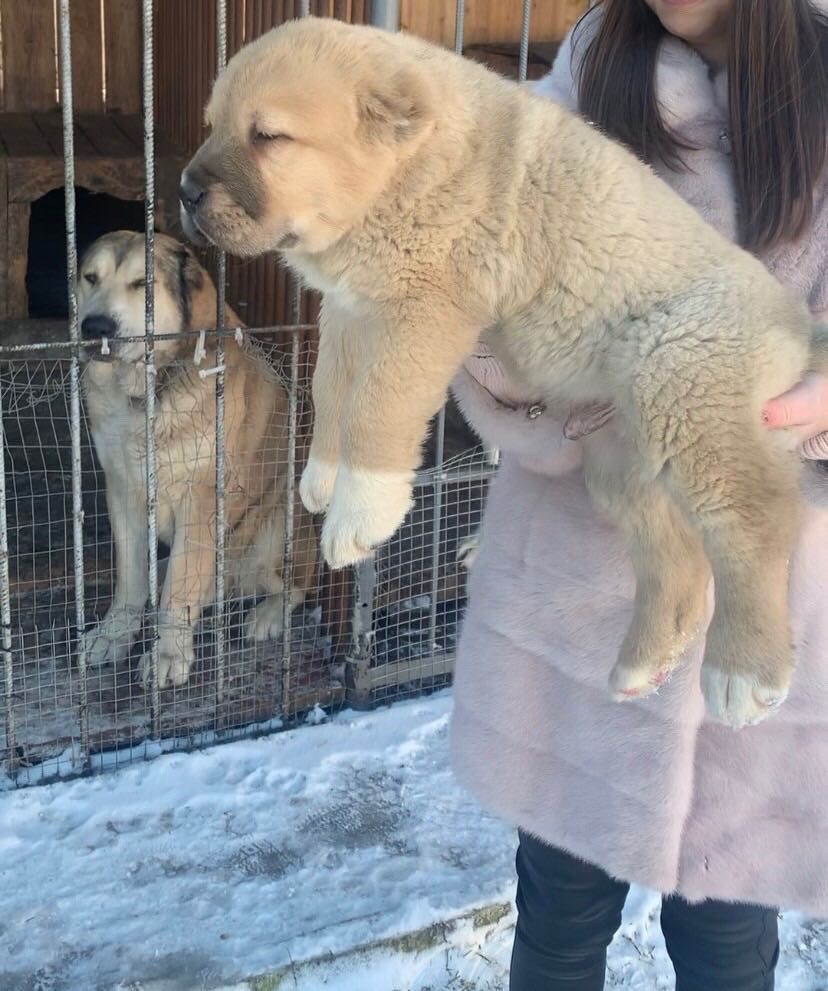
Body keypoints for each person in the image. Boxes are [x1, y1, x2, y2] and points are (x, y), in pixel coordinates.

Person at [448, 2, 828, 989]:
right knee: (561, 920)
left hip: (762, 596)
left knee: (727, 941)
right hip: (586, 594)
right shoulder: (595, 56)